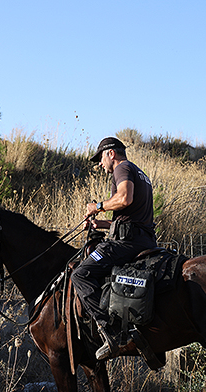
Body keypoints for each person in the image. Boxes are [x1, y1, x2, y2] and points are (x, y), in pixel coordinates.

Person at [71, 137, 157, 360]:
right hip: (143, 240)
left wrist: (97, 207)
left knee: (80, 274)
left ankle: (111, 332)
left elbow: (124, 198)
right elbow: (132, 218)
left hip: (126, 244)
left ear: (110, 153)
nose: (100, 164)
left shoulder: (123, 168)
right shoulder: (141, 175)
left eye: (100, 158)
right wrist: (103, 225)